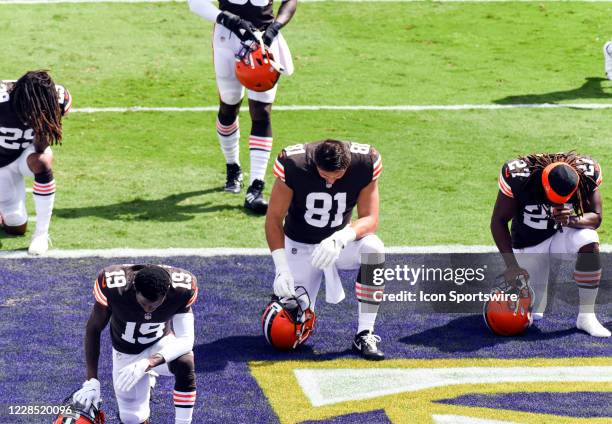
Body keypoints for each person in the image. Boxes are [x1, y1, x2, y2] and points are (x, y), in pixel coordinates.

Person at [265, 139, 386, 359]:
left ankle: (365, 332)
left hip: (338, 245)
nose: (330, 181)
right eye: (324, 175)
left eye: (337, 176)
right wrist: (281, 267)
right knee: (284, 332)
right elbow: (273, 219)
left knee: (374, 248)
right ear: (315, 164)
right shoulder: (294, 164)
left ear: (347, 166)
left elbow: (370, 218)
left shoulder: (365, 163)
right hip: (300, 246)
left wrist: (340, 237)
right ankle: (289, 297)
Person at [187, 0, 297, 214]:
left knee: (262, 111)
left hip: (263, 38)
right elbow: (196, 3)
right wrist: (230, 20)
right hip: (227, 38)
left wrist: (275, 26)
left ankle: (256, 187)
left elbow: (291, 1)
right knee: (229, 104)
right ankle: (233, 166)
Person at [491, 152, 610, 337]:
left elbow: (596, 217)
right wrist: (512, 266)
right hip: (529, 240)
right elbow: (498, 221)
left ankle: (587, 316)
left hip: (562, 233)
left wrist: (571, 219)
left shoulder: (586, 172)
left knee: (589, 239)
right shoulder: (519, 176)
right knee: (533, 311)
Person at [73, 265, 199, 424]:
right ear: (134, 289)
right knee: (133, 420)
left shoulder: (182, 289)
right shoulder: (114, 287)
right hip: (127, 352)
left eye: (154, 305)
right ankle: (147, 382)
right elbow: (94, 328)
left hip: (160, 344)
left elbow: (186, 340)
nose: (148, 310)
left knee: (185, 362)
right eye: (144, 303)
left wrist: (149, 362)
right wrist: (92, 380)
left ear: (166, 293)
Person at [0, 70, 71, 255]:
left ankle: (41, 234)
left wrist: (42, 124)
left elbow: (41, 148)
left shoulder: (55, 100)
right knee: (15, 227)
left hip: (25, 155)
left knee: (43, 160)